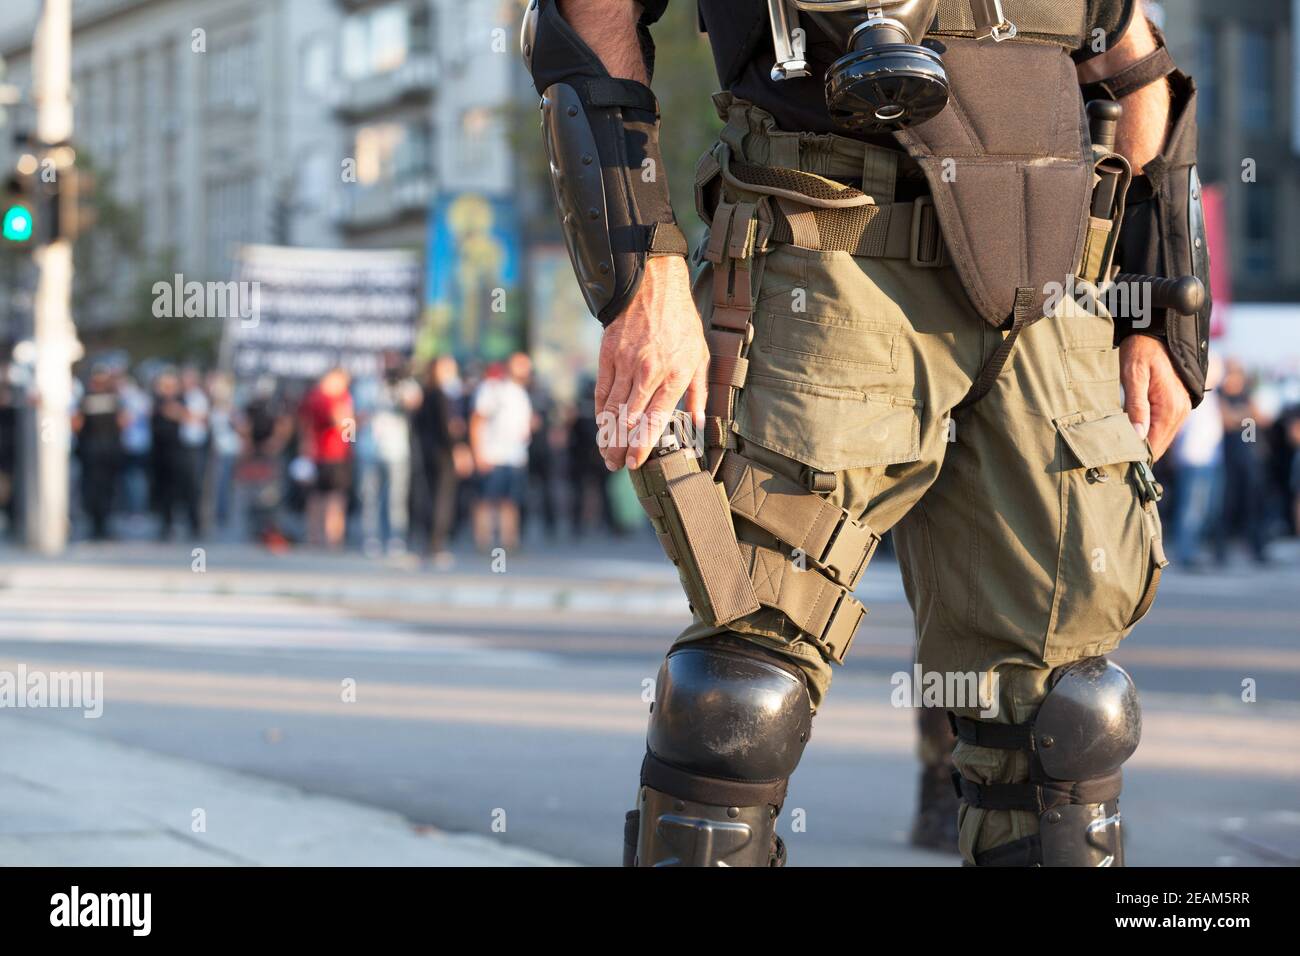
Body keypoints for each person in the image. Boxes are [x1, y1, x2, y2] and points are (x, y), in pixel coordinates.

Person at [525, 0, 1209, 867]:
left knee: (1065, 721)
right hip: (829, 244)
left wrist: (1156, 306)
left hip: (1058, 288)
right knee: (741, 698)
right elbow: (588, 15)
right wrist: (643, 271)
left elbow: (1134, 60)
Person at [469, 354, 533, 552]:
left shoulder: (520, 392)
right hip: (493, 455)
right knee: (487, 501)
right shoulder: (492, 389)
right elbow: (477, 420)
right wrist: (478, 453)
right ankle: (484, 543)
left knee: (510, 502)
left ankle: (509, 543)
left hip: (515, 457)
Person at [298, 367, 354, 549]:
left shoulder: (341, 397)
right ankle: (323, 537)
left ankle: (330, 538)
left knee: (332, 497)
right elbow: (340, 422)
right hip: (325, 454)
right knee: (324, 498)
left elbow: (348, 433)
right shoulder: (321, 397)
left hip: (338, 454)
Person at [72, 365, 126, 541]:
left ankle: (98, 525)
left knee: (94, 489)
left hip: (92, 452)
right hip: (107, 451)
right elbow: (123, 422)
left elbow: (76, 425)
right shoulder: (114, 398)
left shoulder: (85, 399)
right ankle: (102, 525)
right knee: (106, 489)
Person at [150, 369, 198, 540]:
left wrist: (174, 411)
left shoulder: (182, 399)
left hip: (180, 452)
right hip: (161, 453)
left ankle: (195, 525)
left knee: (188, 490)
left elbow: (186, 416)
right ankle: (166, 524)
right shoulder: (156, 401)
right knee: (165, 492)